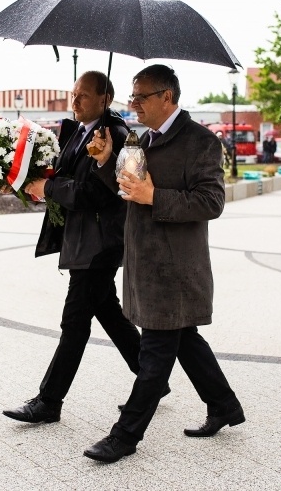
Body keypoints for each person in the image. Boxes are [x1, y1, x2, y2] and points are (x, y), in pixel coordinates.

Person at [82, 64, 243, 463]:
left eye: (141, 96)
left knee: (154, 357)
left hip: (175, 270)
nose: (133, 103)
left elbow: (212, 202)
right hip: (143, 261)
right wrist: (106, 161)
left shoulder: (200, 142)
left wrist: (156, 196)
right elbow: (127, 190)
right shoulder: (141, 139)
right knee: (184, 339)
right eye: (133, 96)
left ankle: (125, 436)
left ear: (167, 97)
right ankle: (224, 405)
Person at [2, 71, 155, 424]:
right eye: (73, 94)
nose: (75, 102)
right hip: (83, 240)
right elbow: (63, 180)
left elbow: (94, 193)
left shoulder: (119, 137)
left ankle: (48, 401)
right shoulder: (78, 132)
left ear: (104, 100)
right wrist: (38, 186)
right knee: (110, 314)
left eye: (83, 96)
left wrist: (50, 188)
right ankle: (152, 379)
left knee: (74, 322)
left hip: (101, 244)